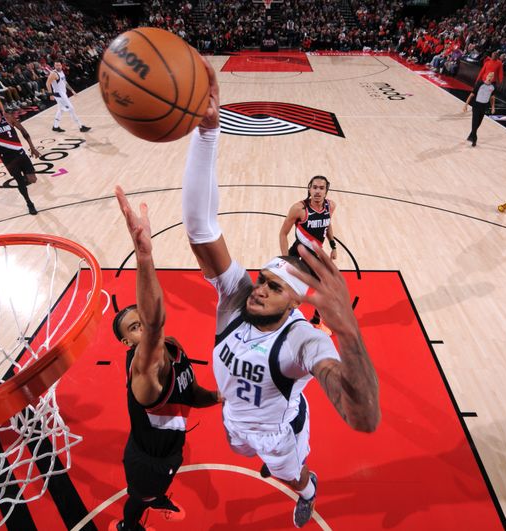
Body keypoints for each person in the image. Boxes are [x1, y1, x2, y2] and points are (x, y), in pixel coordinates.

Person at [181, 59, 380, 528]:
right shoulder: (236, 299)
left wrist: (348, 331)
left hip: (279, 435)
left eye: (273, 286)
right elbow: (200, 227)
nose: (259, 290)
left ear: (295, 301)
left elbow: (363, 418)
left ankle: (307, 488)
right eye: (262, 280)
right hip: (235, 424)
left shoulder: (304, 342)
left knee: (289, 475)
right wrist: (206, 136)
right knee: (243, 448)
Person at [110, 186, 222, 531]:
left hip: (170, 450)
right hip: (148, 462)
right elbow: (155, 320)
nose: (142, 325)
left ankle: (156, 498)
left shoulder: (173, 348)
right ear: (126, 341)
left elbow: (193, 393)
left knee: (154, 492)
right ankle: (130, 526)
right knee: (137, 500)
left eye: (141, 320)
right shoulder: (142, 371)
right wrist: (144, 258)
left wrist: (221, 397)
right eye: (133, 326)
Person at [278, 175, 337, 335]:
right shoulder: (299, 209)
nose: (317, 191)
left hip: (316, 256)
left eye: (321, 188)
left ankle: (317, 321)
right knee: (291, 291)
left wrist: (333, 245)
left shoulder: (330, 206)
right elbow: (283, 234)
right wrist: (287, 260)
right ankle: (279, 320)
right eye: (315, 187)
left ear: (326, 191)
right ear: (309, 189)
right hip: (298, 254)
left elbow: (327, 223)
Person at [0, 99, 40, 215]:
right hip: (7, 158)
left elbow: (23, 131)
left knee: (33, 179)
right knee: (20, 182)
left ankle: (24, 180)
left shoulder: (7, 116)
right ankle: (29, 203)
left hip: (20, 153)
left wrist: (32, 147)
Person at [46, 61, 90, 133]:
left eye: (59, 65)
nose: (58, 66)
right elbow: (47, 83)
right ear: (54, 66)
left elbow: (65, 82)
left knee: (61, 110)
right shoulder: (53, 74)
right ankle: (81, 126)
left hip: (63, 93)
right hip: (59, 95)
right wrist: (50, 94)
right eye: (56, 65)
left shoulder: (61, 72)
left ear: (61, 65)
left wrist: (72, 90)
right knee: (71, 109)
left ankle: (55, 126)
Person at [463, 71, 496, 146]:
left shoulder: (493, 87)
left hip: (484, 106)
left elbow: (492, 98)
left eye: (492, 77)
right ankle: (474, 139)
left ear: (493, 78)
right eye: (489, 76)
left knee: (479, 123)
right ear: (486, 76)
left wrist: (493, 107)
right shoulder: (480, 84)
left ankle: (471, 136)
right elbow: (472, 94)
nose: (490, 78)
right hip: (476, 106)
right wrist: (466, 105)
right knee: (474, 123)